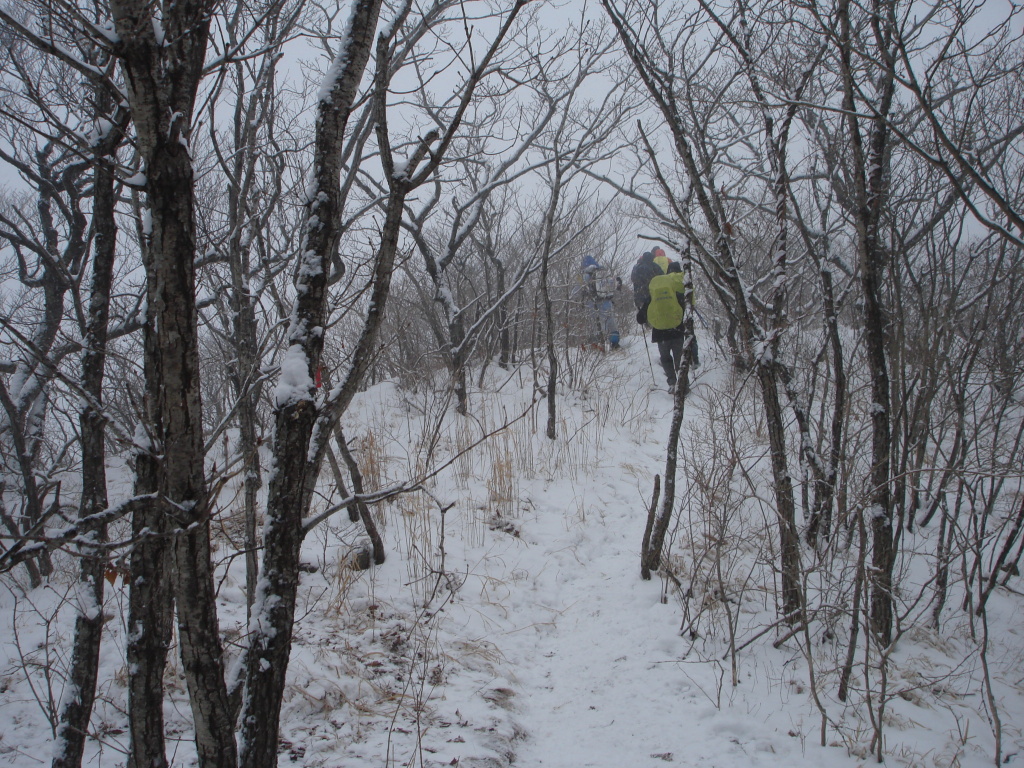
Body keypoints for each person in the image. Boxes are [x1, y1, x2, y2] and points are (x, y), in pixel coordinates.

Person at [638, 261, 688, 388]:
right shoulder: (676, 294)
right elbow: (683, 307)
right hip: (677, 330)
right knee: (679, 358)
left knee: (665, 358)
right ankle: (683, 384)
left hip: (661, 333)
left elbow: (640, 317)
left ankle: (672, 382)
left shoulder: (651, 297)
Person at [581, 254, 621, 349]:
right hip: (607, 301)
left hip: (592, 303)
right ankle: (615, 343)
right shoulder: (603, 271)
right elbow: (613, 285)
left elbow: (575, 292)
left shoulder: (584, 275)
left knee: (594, 323)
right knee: (611, 322)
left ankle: (597, 345)